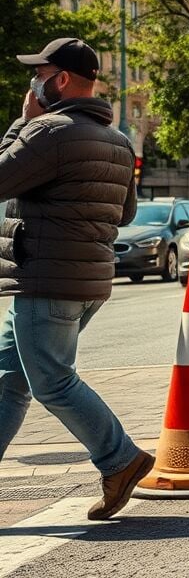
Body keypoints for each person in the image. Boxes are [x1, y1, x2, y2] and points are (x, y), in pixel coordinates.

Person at [0, 38, 154, 520]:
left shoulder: (47, 131)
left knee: (52, 382)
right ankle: (120, 460)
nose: (34, 83)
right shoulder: (118, 139)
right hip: (87, 281)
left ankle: (121, 459)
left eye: (39, 74)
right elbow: (125, 212)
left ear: (61, 80)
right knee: (10, 378)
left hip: (47, 279)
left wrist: (20, 123)